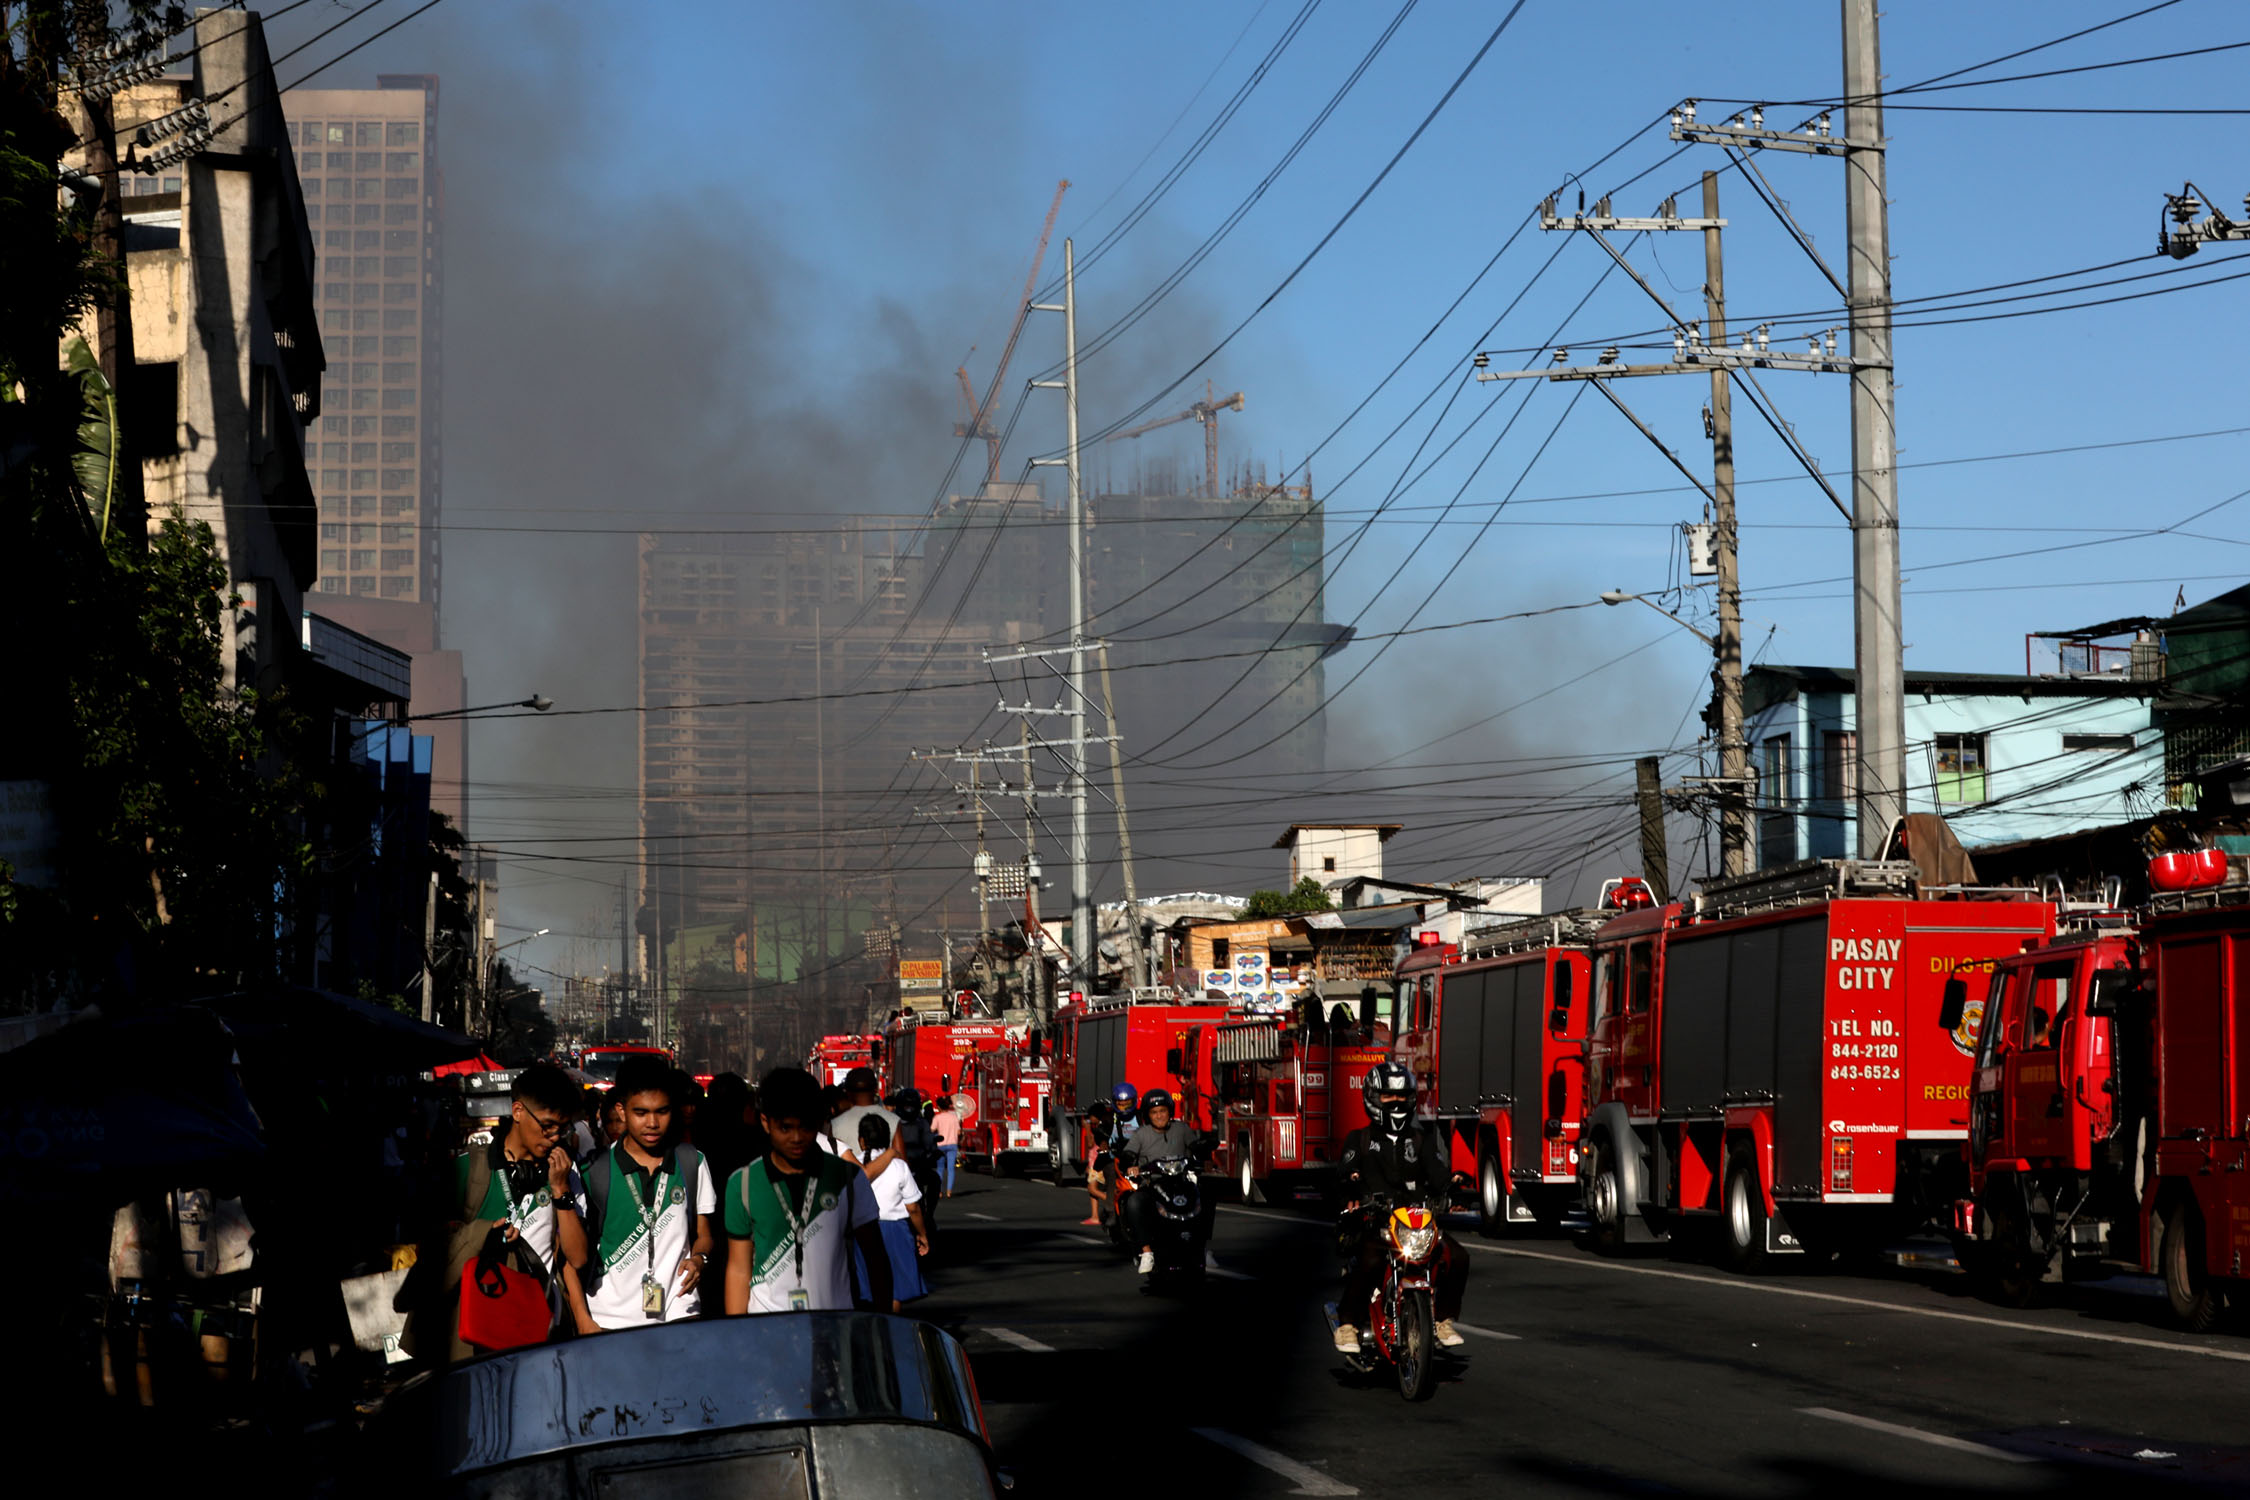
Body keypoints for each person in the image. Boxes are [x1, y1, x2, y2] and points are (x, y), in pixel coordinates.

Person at [423, 1063, 591, 1359]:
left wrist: (561, 1190)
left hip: (539, 1322)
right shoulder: (469, 1168)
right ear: (517, 1111)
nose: (554, 1137)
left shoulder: (565, 1171)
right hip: (477, 1323)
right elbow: (435, 1246)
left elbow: (575, 1257)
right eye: (547, 1125)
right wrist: (482, 1234)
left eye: (562, 1128)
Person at [564, 1057, 717, 1332]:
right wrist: (583, 1319)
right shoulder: (593, 1171)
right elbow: (570, 1257)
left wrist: (700, 1259)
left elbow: (704, 1234)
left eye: (662, 1111)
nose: (653, 1123)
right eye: (641, 1112)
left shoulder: (692, 1162)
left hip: (679, 1310)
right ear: (621, 1111)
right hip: (610, 1320)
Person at [725, 1067, 891, 1314]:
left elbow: (876, 1258)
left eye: (805, 1127)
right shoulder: (743, 1183)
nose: (796, 1137)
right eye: (785, 1127)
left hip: (835, 1325)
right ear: (765, 1122)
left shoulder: (850, 1178)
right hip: (766, 1331)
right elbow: (739, 1269)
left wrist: (882, 1323)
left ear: (819, 1122)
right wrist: (738, 1337)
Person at [1332, 1060, 1467, 1352]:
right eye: (1388, 1096)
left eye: (1403, 1096)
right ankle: (1346, 1325)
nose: (1396, 1101)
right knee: (1369, 1261)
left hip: (1416, 1223)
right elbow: (1346, 1172)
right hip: (1378, 1225)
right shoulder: (1360, 1139)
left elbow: (1437, 1172)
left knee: (1457, 1257)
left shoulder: (1422, 1140)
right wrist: (1354, 1186)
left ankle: (1443, 1321)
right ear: (1372, 1098)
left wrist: (1451, 1183)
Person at [851, 1115, 930, 1310]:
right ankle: (890, 1329)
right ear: (888, 1138)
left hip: (862, 1229)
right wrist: (922, 1234)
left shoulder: (853, 1165)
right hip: (896, 1231)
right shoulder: (899, 1165)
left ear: (861, 1140)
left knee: (866, 1286)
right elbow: (913, 1207)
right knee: (895, 1289)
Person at [1116, 1088, 1196, 1275]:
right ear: (1147, 1115)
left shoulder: (1182, 1129)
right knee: (1134, 1202)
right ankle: (1146, 1252)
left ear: (1170, 1111)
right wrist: (1130, 1165)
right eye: (1154, 1112)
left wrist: (1202, 1152)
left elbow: (1195, 1147)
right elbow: (1128, 1154)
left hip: (1181, 1183)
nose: (1159, 1116)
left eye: (1162, 1111)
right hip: (1153, 1185)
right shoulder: (1141, 1134)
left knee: (1206, 1195)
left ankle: (1203, 1248)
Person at [1083, 1081, 1140, 1228]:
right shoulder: (1109, 1118)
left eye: (1127, 1104)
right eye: (1120, 1104)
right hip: (1116, 1156)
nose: (1124, 1108)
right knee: (1111, 1176)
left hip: (1139, 1156)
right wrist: (1103, 1145)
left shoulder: (1141, 1117)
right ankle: (1111, 1212)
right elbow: (1101, 1137)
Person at [829, 1068, 901, 1164]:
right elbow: (901, 1160)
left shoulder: (835, 1124)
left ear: (847, 1092)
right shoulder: (893, 1120)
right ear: (875, 1089)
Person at [930, 1093, 962, 1198]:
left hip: (941, 1145)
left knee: (940, 1168)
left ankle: (939, 1191)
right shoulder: (954, 1117)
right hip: (952, 1144)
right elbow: (959, 1132)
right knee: (950, 1168)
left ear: (939, 1107)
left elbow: (932, 1130)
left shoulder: (937, 1118)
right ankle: (949, 1191)